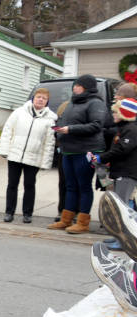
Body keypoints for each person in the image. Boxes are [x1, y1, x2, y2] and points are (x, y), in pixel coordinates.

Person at [48, 74, 107, 233]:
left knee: (84, 186)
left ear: (87, 87)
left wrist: (70, 129)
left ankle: (83, 222)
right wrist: (58, 130)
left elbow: (96, 125)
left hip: (86, 150)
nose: (74, 88)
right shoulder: (71, 103)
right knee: (70, 185)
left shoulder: (96, 103)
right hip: (68, 150)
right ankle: (66, 219)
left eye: (78, 85)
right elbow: (63, 122)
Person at [0, 88, 57, 223]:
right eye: (38, 97)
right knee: (12, 184)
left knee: (29, 185)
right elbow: (8, 130)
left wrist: (45, 162)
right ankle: (9, 212)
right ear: (33, 98)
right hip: (15, 155)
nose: (40, 100)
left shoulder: (50, 119)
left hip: (33, 158)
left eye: (44, 98)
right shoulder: (19, 112)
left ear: (47, 101)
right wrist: (5, 150)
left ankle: (27, 213)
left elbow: (49, 142)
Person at [92, 98, 137, 248]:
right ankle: (119, 237)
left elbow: (122, 150)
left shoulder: (131, 130)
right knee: (119, 206)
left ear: (124, 114)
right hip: (120, 172)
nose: (113, 115)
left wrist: (102, 157)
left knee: (123, 207)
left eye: (116, 112)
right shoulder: (123, 129)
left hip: (127, 173)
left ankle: (125, 241)